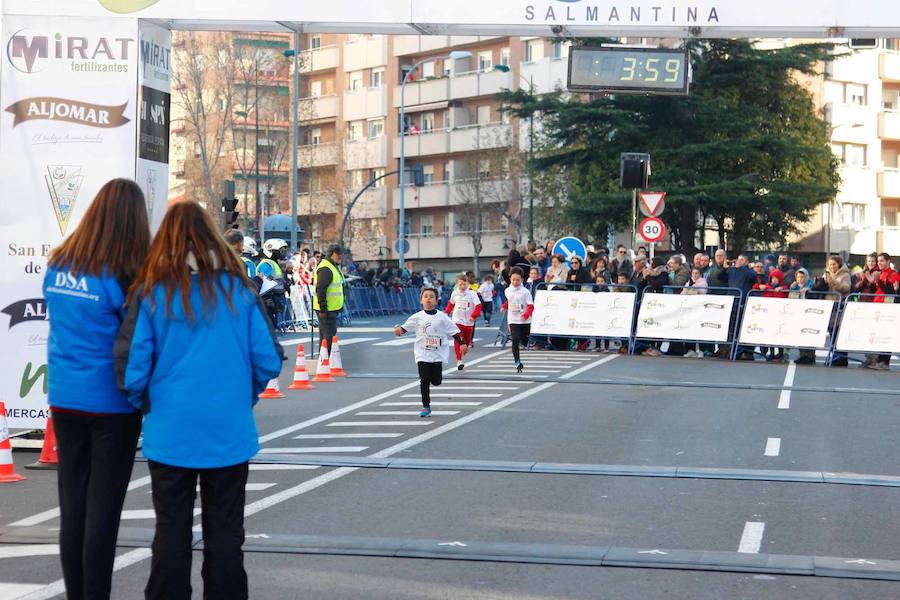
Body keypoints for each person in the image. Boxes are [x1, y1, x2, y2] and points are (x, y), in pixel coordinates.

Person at [116, 201, 284, 600]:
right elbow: (267, 359)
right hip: (228, 430)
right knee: (225, 533)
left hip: (170, 430)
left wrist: (148, 403)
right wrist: (244, 396)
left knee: (170, 530)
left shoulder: (152, 292)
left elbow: (130, 367)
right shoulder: (238, 290)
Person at [42, 179, 150, 600]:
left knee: (73, 509)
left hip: (65, 398)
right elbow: (138, 338)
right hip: (112, 403)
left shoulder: (59, 263)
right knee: (103, 511)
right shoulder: (125, 273)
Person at [394, 288, 468, 417]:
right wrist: (399, 330)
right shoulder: (417, 317)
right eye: (426, 296)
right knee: (424, 380)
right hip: (422, 353)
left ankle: (435, 382)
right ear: (421, 300)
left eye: (431, 296)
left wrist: (461, 343)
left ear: (436, 301)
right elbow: (404, 329)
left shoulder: (442, 317)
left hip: (437, 354)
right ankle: (426, 406)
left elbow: (454, 331)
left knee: (436, 381)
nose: (428, 298)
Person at [313, 245, 345, 358]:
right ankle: (326, 360)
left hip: (330, 308)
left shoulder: (332, 266)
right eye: (337, 255)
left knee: (326, 335)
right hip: (327, 309)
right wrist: (323, 308)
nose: (340, 257)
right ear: (331, 254)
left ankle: (324, 360)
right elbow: (321, 289)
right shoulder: (326, 268)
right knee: (329, 336)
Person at [445, 273, 481, 370]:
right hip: (457, 320)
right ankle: (459, 360)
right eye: (460, 284)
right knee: (458, 339)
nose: (462, 286)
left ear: (468, 284)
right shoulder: (455, 293)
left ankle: (466, 346)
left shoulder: (472, 293)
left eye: (464, 284)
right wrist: (447, 312)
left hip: (469, 322)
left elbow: (478, 306)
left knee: (466, 342)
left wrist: (473, 316)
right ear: (457, 284)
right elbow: (451, 303)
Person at [870, 253, 900, 370]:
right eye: (878, 261)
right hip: (877, 306)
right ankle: (879, 359)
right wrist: (874, 281)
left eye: (882, 261)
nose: (879, 263)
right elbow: (874, 290)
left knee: (886, 334)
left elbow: (890, 291)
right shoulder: (880, 273)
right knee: (879, 334)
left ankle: (885, 361)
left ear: (888, 262)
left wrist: (879, 281)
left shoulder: (893, 274)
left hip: (887, 308)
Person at [502, 267, 534, 373]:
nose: (515, 282)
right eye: (513, 280)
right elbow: (509, 301)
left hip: (525, 321)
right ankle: (517, 361)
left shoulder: (525, 292)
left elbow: (531, 306)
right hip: (513, 319)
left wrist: (526, 315)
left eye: (518, 280)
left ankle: (524, 342)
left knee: (524, 340)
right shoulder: (507, 290)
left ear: (522, 280)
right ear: (510, 279)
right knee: (515, 339)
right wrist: (504, 306)